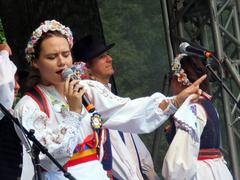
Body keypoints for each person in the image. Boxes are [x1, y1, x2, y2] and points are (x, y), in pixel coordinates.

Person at [13, 20, 206, 180]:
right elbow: (49, 156)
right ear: (35, 62)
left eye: (66, 54)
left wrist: (175, 100)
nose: (62, 62)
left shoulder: (87, 89)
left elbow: (127, 110)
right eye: (52, 57)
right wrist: (73, 112)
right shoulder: (29, 105)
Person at [72, 35, 159, 180]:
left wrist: (148, 171)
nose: (109, 59)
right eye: (102, 56)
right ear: (87, 66)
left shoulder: (110, 99)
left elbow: (133, 145)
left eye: (107, 55)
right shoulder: (87, 99)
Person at [162, 53, 233, 180]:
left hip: (199, 174)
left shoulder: (192, 109)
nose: (170, 84)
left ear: (179, 80)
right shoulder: (207, 105)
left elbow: (179, 166)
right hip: (218, 171)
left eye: (171, 79)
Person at [0, 43, 22, 180]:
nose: (17, 86)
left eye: (18, 82)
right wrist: (4, 53)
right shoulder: (1, 113)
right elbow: (4, 85)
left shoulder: (16, 113)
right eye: (14, 82)